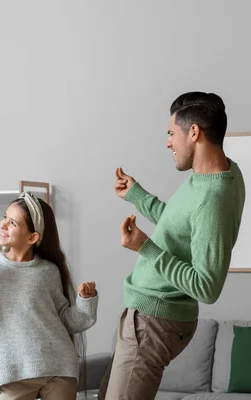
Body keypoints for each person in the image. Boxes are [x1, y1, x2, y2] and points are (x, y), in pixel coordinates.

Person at [99, 92, 246, 399]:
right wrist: (139, 196)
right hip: (147, 313)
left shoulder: (213, 198)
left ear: (194, 132)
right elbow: (180, 226)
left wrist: (145, 247)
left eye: (171, 133)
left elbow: (207, 287)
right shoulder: (218, 175)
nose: (168, 142)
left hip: (154, 320)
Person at [0, 192, 98, 400]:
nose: (2, 225)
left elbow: (67, 321)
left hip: (58, 367)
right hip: (12, 373)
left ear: (32, 237)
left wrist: (86, 301)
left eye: (12, 223)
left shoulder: (48, 271)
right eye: (4, 217)